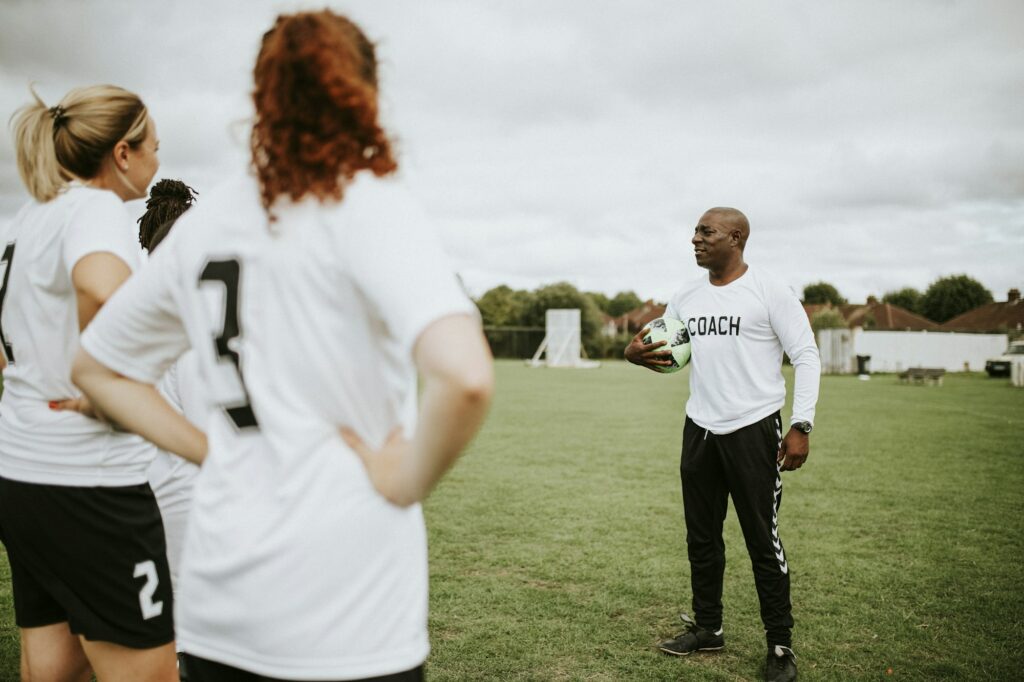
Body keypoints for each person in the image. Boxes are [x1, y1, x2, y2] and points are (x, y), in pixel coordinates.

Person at [71, 10, 493, 682]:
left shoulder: (206, 223)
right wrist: (405, 478)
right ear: (366, 91)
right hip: (350, 613)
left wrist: (208, 448)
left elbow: (96, 367)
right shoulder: (367, 202)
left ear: (261, 96)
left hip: (220, 610)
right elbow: (467, 375)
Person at [0, 86, 177, 680]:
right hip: (92, 483)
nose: (159, 157)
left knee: (51, 668)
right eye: (155, 145)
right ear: (123, 154)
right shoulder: (96, 209)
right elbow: (108, 291)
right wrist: (109, 382)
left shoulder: (29, 219)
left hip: (22, 472)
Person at [625, 207, 820, 682]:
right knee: (702, 538)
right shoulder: (687, 293)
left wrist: (801, 425)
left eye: (705, 232)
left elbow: (806, 356)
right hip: (700, 429)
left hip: (754, 430)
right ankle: (708, 627)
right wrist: (634, 353)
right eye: (695, 231)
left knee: (761, 541)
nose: (695, 239)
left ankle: (779, 646)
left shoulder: (769, 289)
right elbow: (664, 345)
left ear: (735, 238)